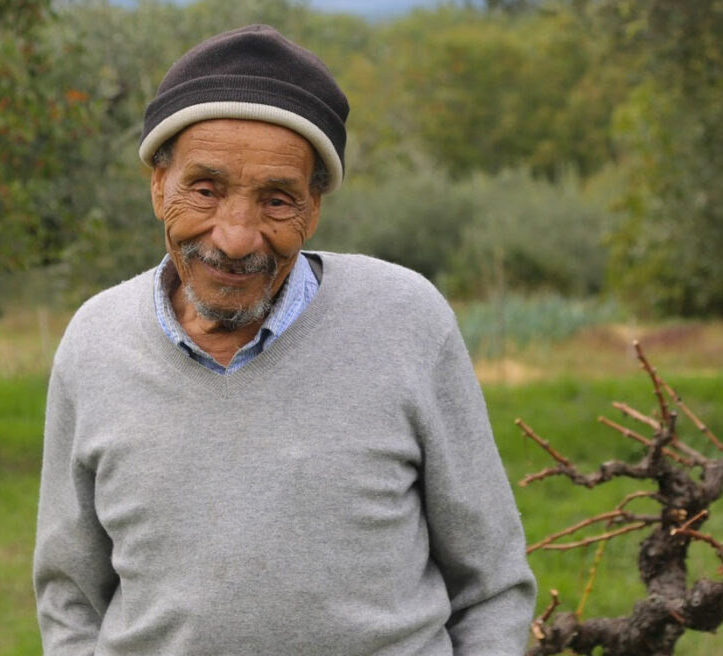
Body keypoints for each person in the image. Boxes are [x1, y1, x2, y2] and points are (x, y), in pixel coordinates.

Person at [34, 24, 536, 656]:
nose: (236, 236)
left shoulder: (407, 321)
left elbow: (491, 584)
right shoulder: (94, 342)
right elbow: (69, 599)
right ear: (158, 184)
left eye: (276, 201)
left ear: (314, 207)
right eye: (206, 188)